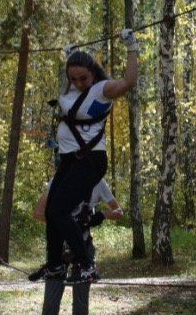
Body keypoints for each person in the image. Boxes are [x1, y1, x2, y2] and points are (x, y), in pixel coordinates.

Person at [31, 31, 140, 285]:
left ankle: (86, 265)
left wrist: (132, 46)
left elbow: (129, 81)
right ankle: (56, 264)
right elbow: (71, 75)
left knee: (59, 211)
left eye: (83, 78)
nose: (79, 82)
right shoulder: (69, 87)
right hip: (69, 161)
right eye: (73, 78)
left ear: (93, 73)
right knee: (51, 211)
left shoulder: (102, 90)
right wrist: (70, 54)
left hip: (89, 159)